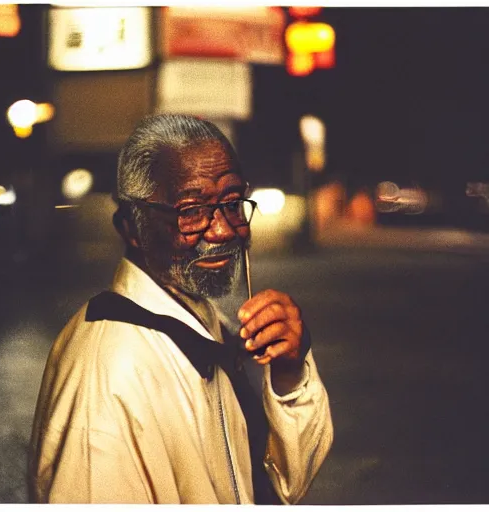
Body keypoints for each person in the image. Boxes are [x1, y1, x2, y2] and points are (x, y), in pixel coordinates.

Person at [29, 114, 333, 504]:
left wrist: (291, 372)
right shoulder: (111, 374)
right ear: (131, 227)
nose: (223, 230)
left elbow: (280, 486)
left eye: (233, 202)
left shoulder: (199, 321)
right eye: (191, 211)